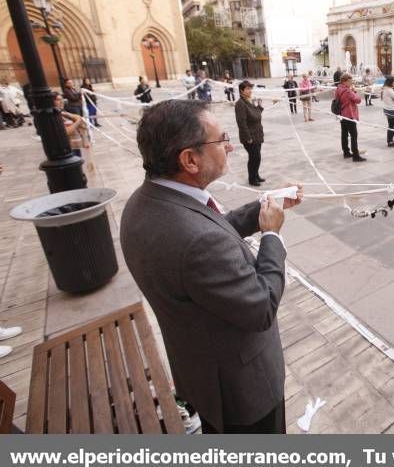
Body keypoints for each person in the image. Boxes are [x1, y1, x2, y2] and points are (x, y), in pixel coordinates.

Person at [120, 99, 303, 434]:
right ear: (190, 159)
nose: (230, 146)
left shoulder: (143, 202)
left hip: (200, 370)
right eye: (221, 140)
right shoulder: (196, 240)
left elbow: (213, 229)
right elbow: (261, 306)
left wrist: (262, 207)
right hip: (242, 390)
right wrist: (272, 236)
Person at [234, 80, 265, 186]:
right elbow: (241, 122)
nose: (250, 90)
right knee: (254, 157)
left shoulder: (249, 100)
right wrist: (248, 137)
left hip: (257, 133)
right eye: (247, 89)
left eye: (250, 88)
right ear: (241, 91)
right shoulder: (240, 104)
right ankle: (252, 178)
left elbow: (256, 114)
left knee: (257, 156)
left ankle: (256, 175)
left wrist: (259, 105)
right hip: (250, 136)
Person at [335, 73, 366, 162]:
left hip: (341, 114)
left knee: (344, 134)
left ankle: (346, 152)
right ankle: (355, 155)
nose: (351, 83)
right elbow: (358, 100)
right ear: (345, 81)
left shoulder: (338, 88)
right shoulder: (347, 91)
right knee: (354, 135)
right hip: (349, 115)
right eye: (350, 81)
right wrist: (354, 91)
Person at [381, 76, 394, 147]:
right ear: (391, 82)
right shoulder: (389, 90)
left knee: (391, 125)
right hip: (392, 110)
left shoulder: (386, 88)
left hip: (388, 109)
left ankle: (390, 141)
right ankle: (389, 139)